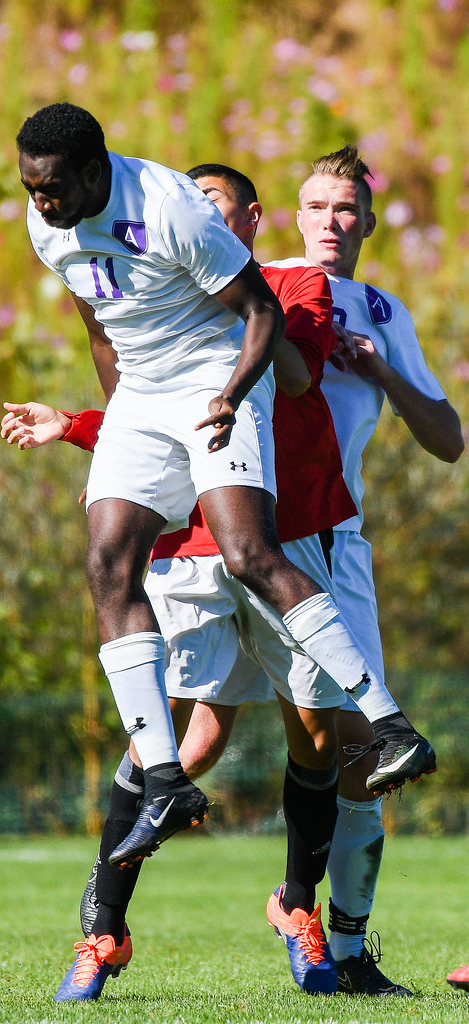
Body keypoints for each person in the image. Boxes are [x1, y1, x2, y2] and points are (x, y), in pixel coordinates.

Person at [3, 160, 432, 998]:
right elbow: (156, 418)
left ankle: (307, 917)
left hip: (293, 538)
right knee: (180, 743)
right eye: (189, 204)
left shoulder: (288, 288)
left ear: (247, 223)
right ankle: (102, 929)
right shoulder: (157, 278)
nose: (195, 216)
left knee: (316, 740)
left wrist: (236, 334)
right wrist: (82, 423)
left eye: (216, 206)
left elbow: (290, 378)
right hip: (191, 552)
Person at [269, 144, 464, 989]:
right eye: (316, 206)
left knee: (358, 757)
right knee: (199, 739)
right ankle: (289, 906)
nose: (330, 221)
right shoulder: (257, 284)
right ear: (293, 215)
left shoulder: (383, 311)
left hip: (338, 544)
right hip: (246, 537)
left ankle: (341, 951)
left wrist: (377, 366)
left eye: (345, 209)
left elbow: (448, 440)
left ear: (367, 222)